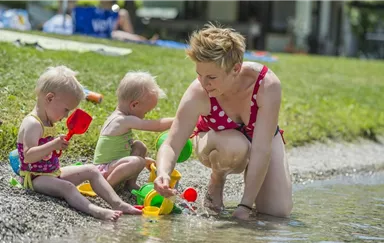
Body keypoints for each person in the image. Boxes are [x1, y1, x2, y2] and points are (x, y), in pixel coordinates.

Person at [153, 23, 293, 220]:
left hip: (262, 140)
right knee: (235, 145)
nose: (203, 83)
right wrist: (163, 173)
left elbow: (262, 149)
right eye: (199, 74)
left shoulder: (266, 85)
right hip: (220, 143)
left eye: (211, 77)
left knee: (277, 212)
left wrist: (245, 205)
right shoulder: (199, 92)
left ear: (235, 69)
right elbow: (172, 144)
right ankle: (217, 179)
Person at [16, 66, 141, 221]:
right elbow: (28, 156)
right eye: (66, 110)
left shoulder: (47, 120)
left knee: (92, 170)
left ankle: (118, 203)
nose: (66, 115)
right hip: (34, 178)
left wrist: (56, 147)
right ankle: (95, 211)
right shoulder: (32, 123)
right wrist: (53, 145)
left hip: (52, 173)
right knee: (67, 187)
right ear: (49, 98)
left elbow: (46, 154)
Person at [93, 71, 174, 191]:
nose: (145, 116)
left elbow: (119, 154)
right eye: (146, 112)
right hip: (103, 170)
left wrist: (144, 160)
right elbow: (156, 126)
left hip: (113, 165)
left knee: (139, 146)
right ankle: (106, 187)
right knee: (138, 162)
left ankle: (129, 185)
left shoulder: (122, 118)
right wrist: (178, 120)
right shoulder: (122, 120)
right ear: (134, 105)